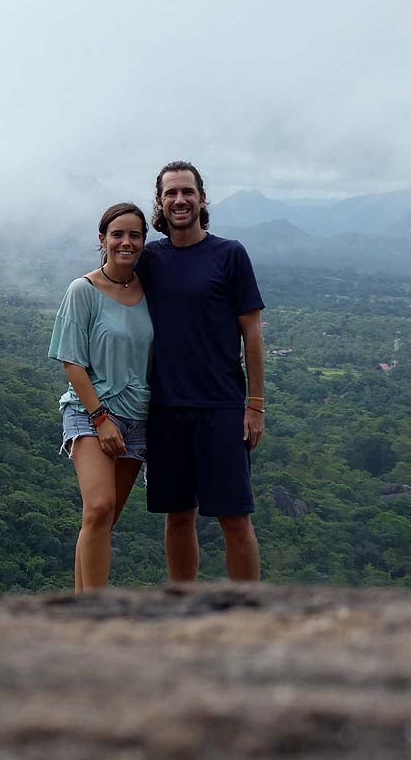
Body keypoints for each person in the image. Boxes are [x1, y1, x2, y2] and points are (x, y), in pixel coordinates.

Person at [138, 160, 265, 581]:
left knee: (234, 517)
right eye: (170, 193)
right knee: (178, 516)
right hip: (166, 407)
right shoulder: (149, 258)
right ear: (159, 202)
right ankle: (183, 608)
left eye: (187, 191)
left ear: (202, 197)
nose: (179, 200)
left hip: (222, 407)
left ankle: (247, 614)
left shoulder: (229, 255)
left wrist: (256, 404)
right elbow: (107, 284)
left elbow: (252, 334)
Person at [48, 202, 154, 592]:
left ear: (144, 241)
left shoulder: (151, 289)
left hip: (138, 418)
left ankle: (81, 607)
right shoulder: (84, 290)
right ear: (102, 240)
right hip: (91, 412)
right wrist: (100, 418)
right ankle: (94, 611)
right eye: (118, 234)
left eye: (135, 235)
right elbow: (71, 362)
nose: (126, 242)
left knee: (103, 521)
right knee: (98, 507)